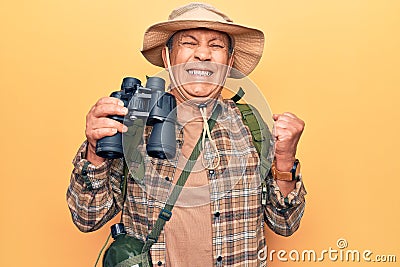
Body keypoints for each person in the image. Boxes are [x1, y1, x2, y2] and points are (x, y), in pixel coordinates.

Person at [67, 2, 307, 266]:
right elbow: (87, 218)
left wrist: (285, 160)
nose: (203, 54)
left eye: (216, 45)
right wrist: (95, 151)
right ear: (168, 57)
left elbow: (285, 224)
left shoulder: (252, 126)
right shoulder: (132, 126)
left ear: (230, 61)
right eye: (189, 43)